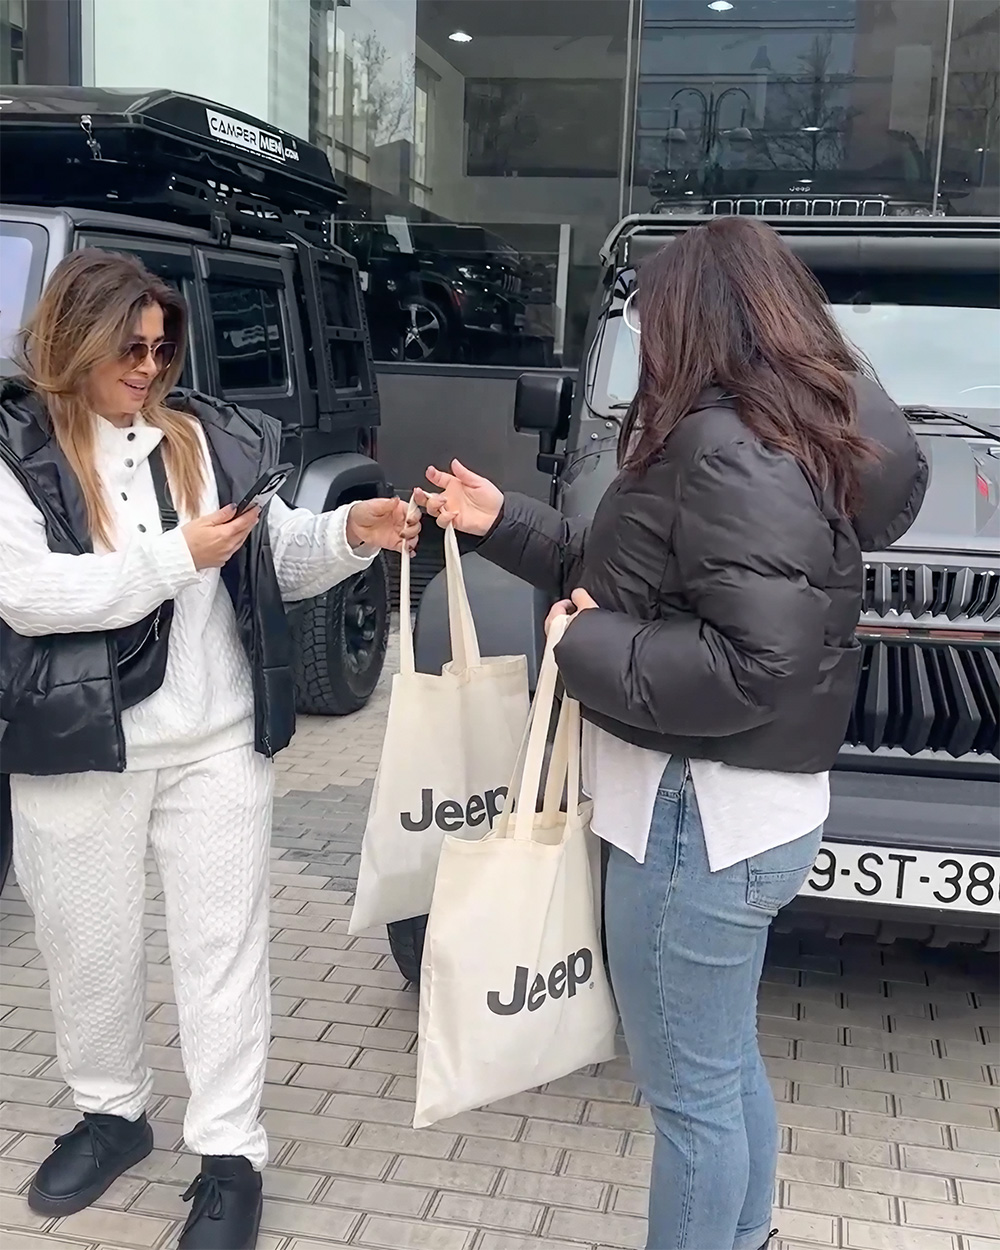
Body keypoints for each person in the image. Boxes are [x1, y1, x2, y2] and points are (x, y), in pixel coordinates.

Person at [415, 217, 927, 1250]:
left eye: (655, 319)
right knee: (720, 1067)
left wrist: (581, 643)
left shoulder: (729, 447)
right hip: (735, 810)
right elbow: (636, 578)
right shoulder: (769, 433)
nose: (649, 339)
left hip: (698, 820)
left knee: (688, 1095)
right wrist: (502, 520)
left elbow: (751, 663)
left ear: (700, 320)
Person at [0, 248, 418, 1250]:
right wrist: (170, 558)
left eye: (160, 347)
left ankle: (230, 1155)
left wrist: (351, 531)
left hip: (217, 742)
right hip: (77, 745)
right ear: (72, 342)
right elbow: (28, 595)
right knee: (86, 949)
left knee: (224, 952)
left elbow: (271, 556)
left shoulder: (204, 438)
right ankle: (112, 1114)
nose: (148, 367)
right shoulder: (19, 451)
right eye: (129, 348)